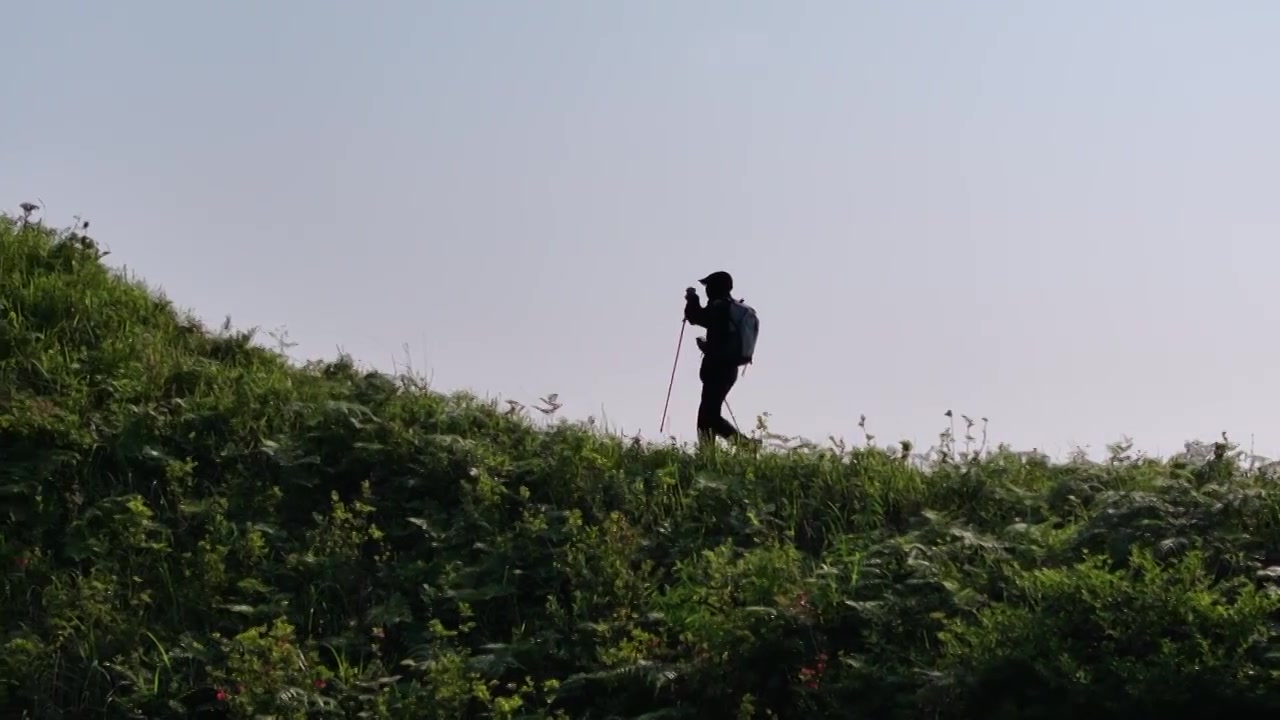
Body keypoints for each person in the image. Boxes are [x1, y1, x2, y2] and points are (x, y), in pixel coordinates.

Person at [684, 270, 748, 444]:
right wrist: (707, 346)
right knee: (709, 415)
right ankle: (710, 456)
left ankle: (745, 445)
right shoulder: (730, 309)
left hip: (717, 369)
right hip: (727, 369)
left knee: (708, 416)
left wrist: (692, 299)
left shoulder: (719, 307)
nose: (707, 290)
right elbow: (721, 337)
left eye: (709, 286)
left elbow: (696, 317)